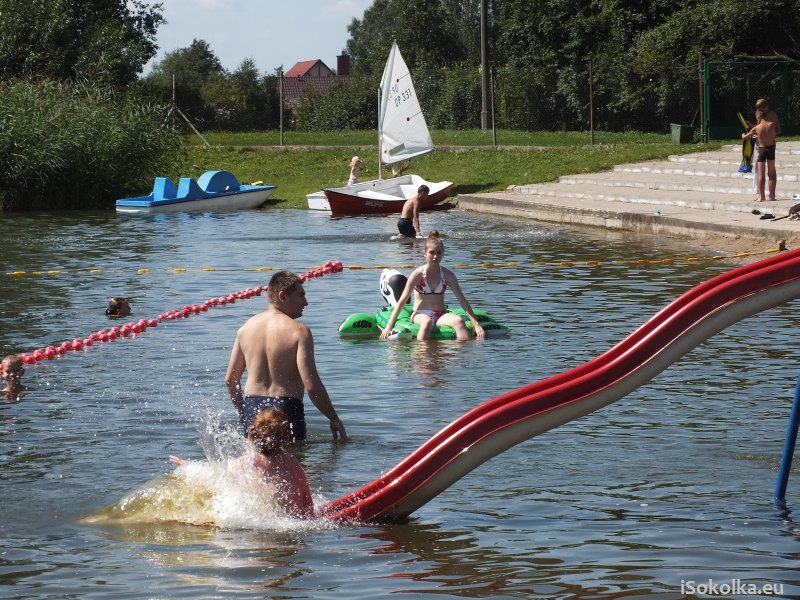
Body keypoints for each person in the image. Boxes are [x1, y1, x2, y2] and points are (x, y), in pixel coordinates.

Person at [225, 270, 346, 442]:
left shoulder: (244, 329)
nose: (306, 302)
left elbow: (230, 380)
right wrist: (333, 418)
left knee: (256, 465)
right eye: (301, 295)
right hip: (286, 409)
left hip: (253, 408)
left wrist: (243, 413)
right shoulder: (299, 332)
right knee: (293, 465)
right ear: (282, 296)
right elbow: (311, 386)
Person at [171, 407, 314, 519]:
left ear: (250, 437)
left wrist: (188, 466)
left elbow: (214, 477)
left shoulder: (247, 463)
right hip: (295, 523)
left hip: (264, 527)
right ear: (286, 438)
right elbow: (308, 504)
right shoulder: (293, 463)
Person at [379, 230, 486, 341]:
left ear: (443, 254)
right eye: (432, 252)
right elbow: (402, 301)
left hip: (441, 314)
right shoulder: (418, 274)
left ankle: (460, 356)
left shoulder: (448, 275)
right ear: (425, 253)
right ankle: (422, 356)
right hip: (420, 314)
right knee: (427, 322)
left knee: (458, 321)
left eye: (439, 252)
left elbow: (462, 300)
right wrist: (388, 327)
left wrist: (476, 325)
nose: (435, 256)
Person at [743, 109, 779, 202]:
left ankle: (761, 196)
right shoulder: (771, 124)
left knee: (761, 175)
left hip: (762, 150)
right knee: (772, 174)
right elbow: (774, 133)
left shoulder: (757, 128)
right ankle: (772, 196)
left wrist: (743, 134)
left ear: (758, 116)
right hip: (771, 149)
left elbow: (745, 137)